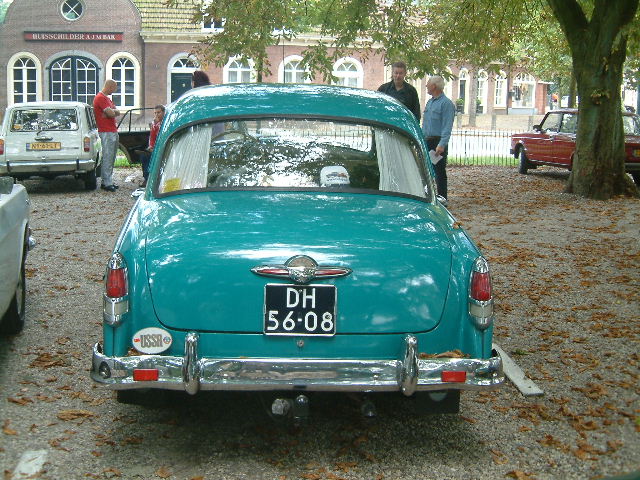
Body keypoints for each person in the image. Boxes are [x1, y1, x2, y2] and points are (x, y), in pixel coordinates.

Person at [422, 75, 455, 200]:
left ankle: (442, 197)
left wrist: (442, 144)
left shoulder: (446, 104)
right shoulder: (430, 102)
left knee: (439, 171)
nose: (426, 85)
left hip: (437, 143)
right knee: (426, 170)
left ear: (434, 86)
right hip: (427, 141)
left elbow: (447, 126)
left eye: (428, 83)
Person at [93, 79, 121, 192]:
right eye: (114, 88)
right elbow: (111, 113)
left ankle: (108, 180)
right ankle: (106, 182)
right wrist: (111, 112)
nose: (114, 90)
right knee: (108, 156)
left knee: (112, 156)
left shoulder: (107, 99)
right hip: (105, 131)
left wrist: (112, 112)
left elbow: (116, 112)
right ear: (110, 87)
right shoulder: (100, 98)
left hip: (111, 130)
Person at [139, 104, 165, 188]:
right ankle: (147, 178)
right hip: (156, 145)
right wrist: (151, 146)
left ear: (163, 112)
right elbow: (152, 137)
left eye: (159, 112)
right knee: (144, 156)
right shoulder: (154, 123)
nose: (157, 115)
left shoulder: (165, 122)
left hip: (163, 145)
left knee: (150, 156)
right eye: (155, 113)